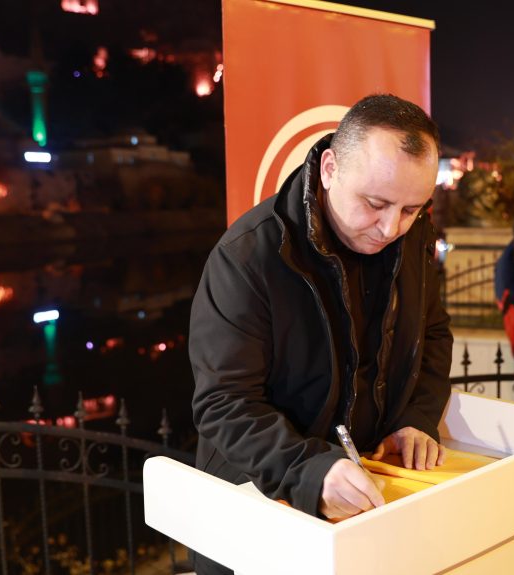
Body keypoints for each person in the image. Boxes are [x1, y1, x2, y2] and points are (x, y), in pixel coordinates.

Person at [189, 94, 453, 574]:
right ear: (330, 169)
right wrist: (308, 470)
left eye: (412, 209)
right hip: (255, 505)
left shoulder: (414, 237)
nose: (390, 228)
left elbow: (433, 334)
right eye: (375, 204)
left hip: (369, 499)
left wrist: (417, 417)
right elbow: (223, 403)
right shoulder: (247, 256)